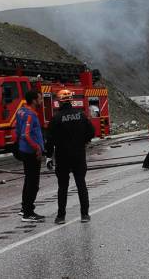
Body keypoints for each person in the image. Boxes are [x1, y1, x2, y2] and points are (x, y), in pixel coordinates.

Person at [45, 89, 95, 224]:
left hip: (62, 157)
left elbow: (49, 140)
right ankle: (84, 215)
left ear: (59, 102)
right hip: (79, 155)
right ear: (71, 101)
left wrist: (49, 157)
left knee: (63, 187)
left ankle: (61, 216)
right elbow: (91, 132)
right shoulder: (81, 115)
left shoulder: (56, 118)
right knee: (81, 184)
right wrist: (83, 141)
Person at [15, 90, 46, 222]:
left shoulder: (20, 111)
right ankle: (29, 212)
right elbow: (25, 134)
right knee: (33, 183)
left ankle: (24, 208)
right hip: (31, 153)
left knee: (28, 181)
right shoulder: (30, 115)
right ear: (33, 100)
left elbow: (17, 131)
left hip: (24, 150)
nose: (41, 101)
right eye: (39, 99)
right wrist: (37, 148)